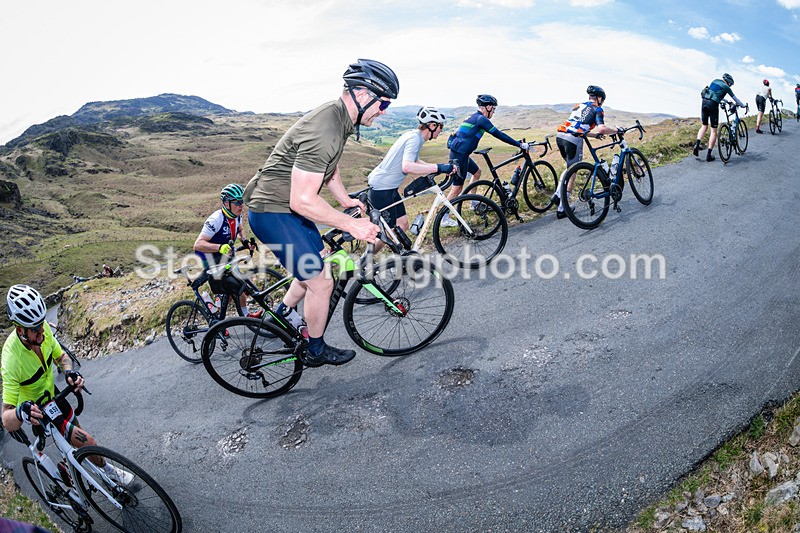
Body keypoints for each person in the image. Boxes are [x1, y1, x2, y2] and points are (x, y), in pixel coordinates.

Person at [243, 58, 397, 367]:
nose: (383, 111)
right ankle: (315, 350)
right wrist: (352, 225)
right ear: (363, 95)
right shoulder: (327, 127)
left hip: (284, 207)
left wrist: (345, 200)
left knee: (318, 263)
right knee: (322, 281)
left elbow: (330, 168)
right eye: (383, 103)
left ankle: (281, 316)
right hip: (273, 211)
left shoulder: (339, 118)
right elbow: (303, 200)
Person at [1, 285, 133, 486]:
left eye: (41, 324)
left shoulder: (42, 330)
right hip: (34, 408)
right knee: (88, 441)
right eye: (35, 329)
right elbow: (6, 419)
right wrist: (20, 412)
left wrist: (69, 372)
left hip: (52, 395)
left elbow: (62, 357)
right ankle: (98, 472)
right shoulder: (11, 359)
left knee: (75, 430)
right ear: (20, 330)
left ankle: (86, 467)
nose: (42, 331)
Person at [367, 106, 454, 245]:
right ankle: (368, 257)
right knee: (388, 233)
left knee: (402, 224)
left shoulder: (415, 136)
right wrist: (439, 167)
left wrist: (438, 168)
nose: (441, 130)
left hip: (390, 188)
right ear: (432, 126)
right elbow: (407, 166)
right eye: (440, 127)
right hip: (382, 189)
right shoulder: (414, 139)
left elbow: (416, 161)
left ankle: (396, 255)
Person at [444, 95, 529, 224]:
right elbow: (499, 134)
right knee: (457, 188)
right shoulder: (481, 119)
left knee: (477, 172)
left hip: (461, 154)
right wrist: (519, 144)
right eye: (493, 109)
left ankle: (473, 202)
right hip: (459, 156)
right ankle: (444, 217)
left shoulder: (475, 117)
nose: (493, 112)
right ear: (488, 107)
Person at [193, 183, 261, 318]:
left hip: (226, 255)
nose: (241, 205)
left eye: (242, 201)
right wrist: (219, 247)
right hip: (210, 257)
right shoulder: (216, 219)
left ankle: (242, 314)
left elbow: (240, 229)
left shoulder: (236, 215)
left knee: (237, 286)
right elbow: (197, 245)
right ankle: (215, 313)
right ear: (226, 203)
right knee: (231, 286)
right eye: (237, 202)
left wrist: (245, 241)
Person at [552, 85, 620, 219]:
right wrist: (617, 131)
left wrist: (594, 136)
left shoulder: (579, 106)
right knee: (573, 172)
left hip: (560, 137)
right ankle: (562, 208)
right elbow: (602, 128)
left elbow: (577, 126)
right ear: (599, 99)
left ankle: (558, 195)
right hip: (573, 140)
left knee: (569, 168)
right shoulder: (598, 109)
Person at [692, 73, 745, 162]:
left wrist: (727, 101)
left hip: (704, 101)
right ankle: (709, 155)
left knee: (704, 126)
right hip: (713, 104)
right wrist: (743, 105)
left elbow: (715, 94)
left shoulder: (715, 81)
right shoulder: (726, 87)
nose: (730, 86)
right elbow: (736, 99)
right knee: (713, 131)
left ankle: (697, 144)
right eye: (731, 84)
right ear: (729, 82)